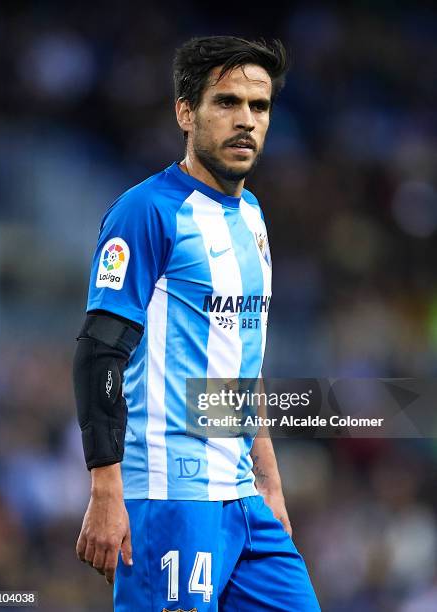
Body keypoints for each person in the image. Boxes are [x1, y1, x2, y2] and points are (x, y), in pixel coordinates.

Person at [73, 35, 320, 611]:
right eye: (226, 103)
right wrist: (106, 487)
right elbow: (99, 351)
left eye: (258, 108)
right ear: (186, 112)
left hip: (242, 498)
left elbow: (244, 365)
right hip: (170, 495)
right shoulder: (147, 211)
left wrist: (270, 483)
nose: (246, 122)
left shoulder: (253, 215)